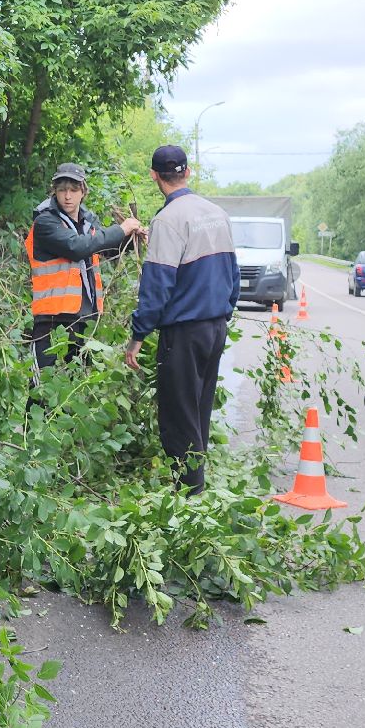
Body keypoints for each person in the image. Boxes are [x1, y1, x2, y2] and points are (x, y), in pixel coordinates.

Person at [119, 145, 237, 491]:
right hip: (215, 328)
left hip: (184, 334)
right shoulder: (217, 213)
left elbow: (156, 287)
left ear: (155, 176)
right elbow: (233, 274)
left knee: (177, 418)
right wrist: (223, 313)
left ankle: (189, 497)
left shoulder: (168, 221)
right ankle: (196, 490)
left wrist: (137, 337)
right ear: (187, 172)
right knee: (199, 411)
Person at [26, 162, 136, 369]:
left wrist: (131, 239)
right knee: (41, 392)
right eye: (62, 190)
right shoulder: (45, 222)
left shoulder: (88, 222)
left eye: (74, 190)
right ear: (55, 192)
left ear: (83, 191)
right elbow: (77, 247)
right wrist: (120, 230)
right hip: (51, 320)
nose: (68, 196)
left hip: (84, 319)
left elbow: (106, 250)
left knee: (76, 387)